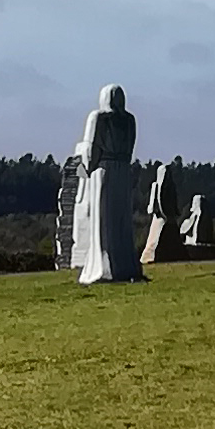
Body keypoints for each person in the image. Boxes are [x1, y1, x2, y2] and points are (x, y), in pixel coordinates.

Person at [71, 84, 141, 285]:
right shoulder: (129, 120)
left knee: (104, 222)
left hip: (104, 170)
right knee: (121, 220)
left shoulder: (99, 117)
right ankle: (126, 264)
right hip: (123, 170)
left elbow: (91, 150)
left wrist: (84, 164)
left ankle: (104, 266)